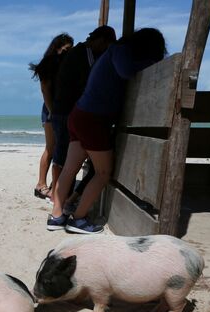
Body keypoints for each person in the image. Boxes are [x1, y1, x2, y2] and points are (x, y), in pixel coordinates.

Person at [48, 28, 167, 234]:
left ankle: (57, 216)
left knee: (69, 169)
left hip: (79, 114)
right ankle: (78, 219)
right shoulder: (119, 49)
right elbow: (126, 71)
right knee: (103, 173)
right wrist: (151, 64)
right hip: (93, 118)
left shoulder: (113, 51)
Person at [50, 25, 117, 214]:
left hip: (69, 113)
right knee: (95, 169)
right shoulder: (86, 54)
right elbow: (89, 83)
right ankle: (71, 211)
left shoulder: (79, 52)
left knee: (67, 164)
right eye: (107, 45)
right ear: (101, 40)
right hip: (74, 112)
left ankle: (57, 210)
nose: (106, 51)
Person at [29, 33, 74, 201]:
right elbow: (45, 89)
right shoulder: (49, 64)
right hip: (51, 110)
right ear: (57, 47)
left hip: (56, 109)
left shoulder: (61, 64)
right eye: (66, 48)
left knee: (55, 148)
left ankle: (47, 186)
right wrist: (52, 111)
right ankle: (41, 185)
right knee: (51, 148)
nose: (69, 52)